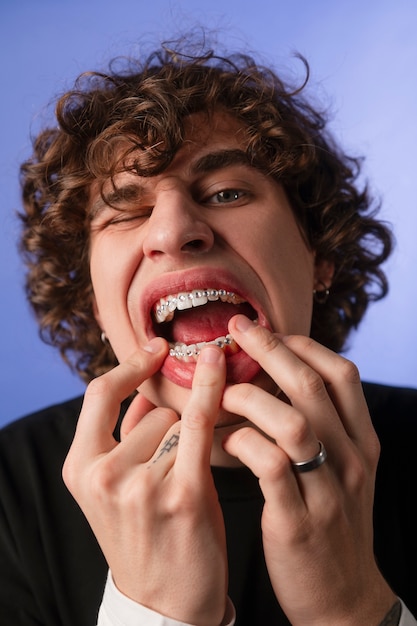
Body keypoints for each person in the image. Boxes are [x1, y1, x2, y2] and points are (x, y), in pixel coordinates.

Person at [1, 35, 416, 626]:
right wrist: (152, 614)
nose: (172, 231)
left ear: (319, 253)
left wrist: (351, 609)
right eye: (126, 210)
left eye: (226, 192)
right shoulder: (10, 491)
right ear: (94, 299)